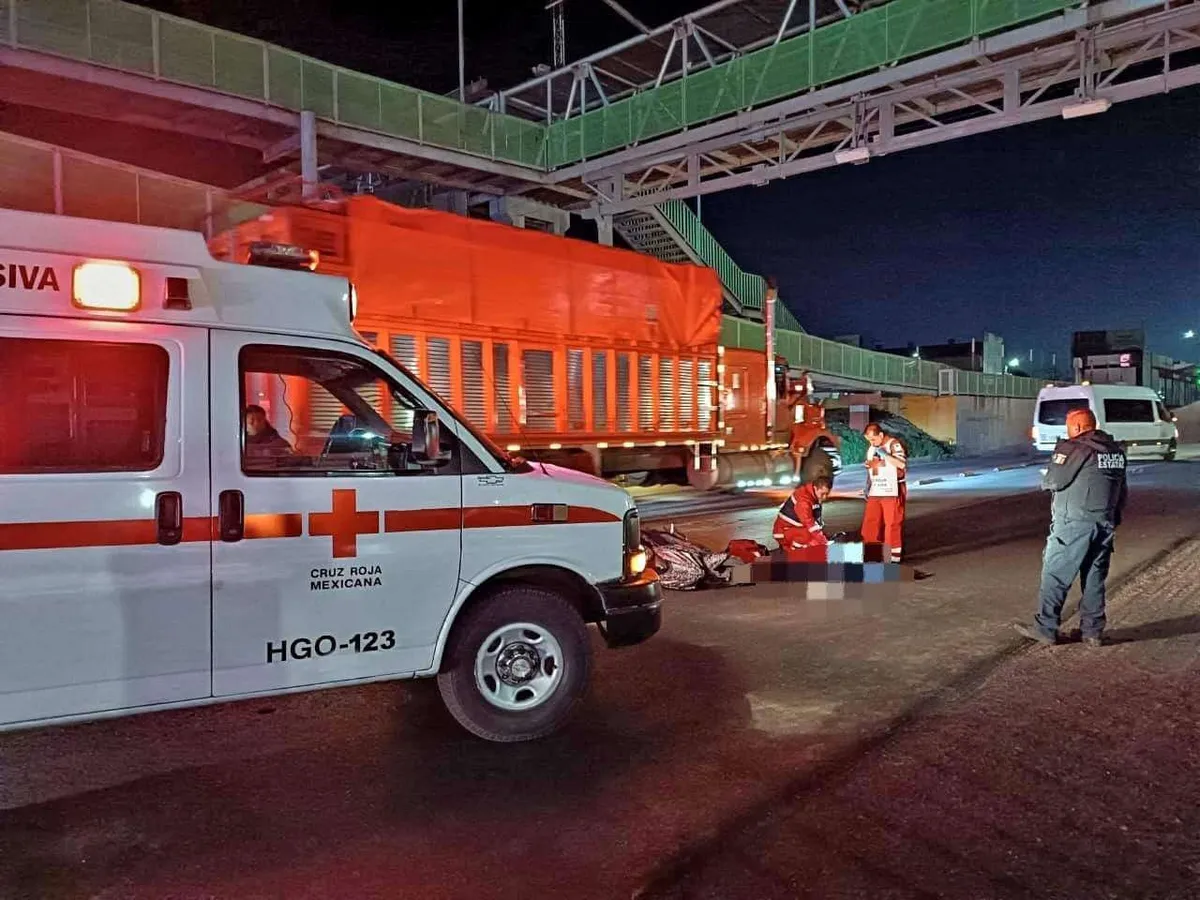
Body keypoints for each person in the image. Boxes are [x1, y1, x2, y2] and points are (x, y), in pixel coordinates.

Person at [1014, 407, 1127, 648]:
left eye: (1068, 428)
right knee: (1094, 577)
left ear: (1077, 427)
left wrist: (1049, 473)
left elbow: (1053, 481)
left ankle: (1045, 628)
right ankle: (1092, 632)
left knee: (1055, 575)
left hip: (1074, 524)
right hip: (1104, 524)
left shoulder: (1075, 448)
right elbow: (1121, 491)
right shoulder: (1115, 450)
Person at [860, 423, 907, 563]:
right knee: (871, 522)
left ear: (881, 435)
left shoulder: (894, 444)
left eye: (873, 439)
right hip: (876, 489)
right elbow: (871, 469)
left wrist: (885, 455)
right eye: (869, 440)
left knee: (892, 523)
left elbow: (901, 465)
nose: (871, 443)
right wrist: (867, 485)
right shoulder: (872, 448)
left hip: (893, 489)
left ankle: (893, 557)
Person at [774, 475, 833, 551]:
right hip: (783, 531)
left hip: (794, 528)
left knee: (815, 539)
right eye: (822, 494)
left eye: (827, 494)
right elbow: (810, 524)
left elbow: (815, 519)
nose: (825, 497)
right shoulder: (803, 500)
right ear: (815, 488)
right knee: (809, 535)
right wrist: (824, 542)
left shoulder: (814, 495)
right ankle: (794, 551)